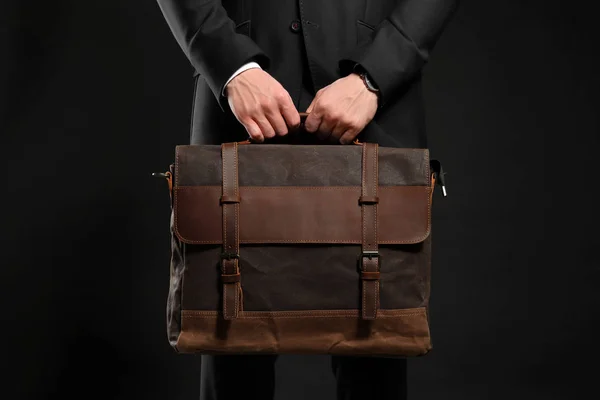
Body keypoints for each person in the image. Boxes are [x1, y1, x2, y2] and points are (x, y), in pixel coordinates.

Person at [156, 0, 458, 398]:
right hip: (241, 94)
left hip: (373, 93)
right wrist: (232, 68)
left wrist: (374, 77)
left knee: (377, 358)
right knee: (230, 352)